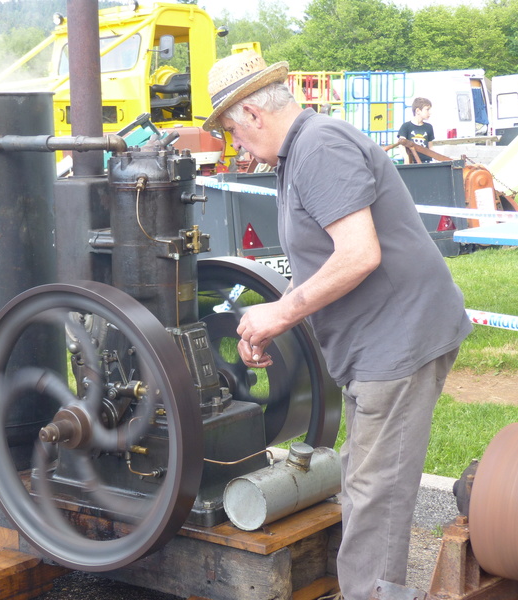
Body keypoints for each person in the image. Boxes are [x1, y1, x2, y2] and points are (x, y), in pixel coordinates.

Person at [202, 51, 471, 600]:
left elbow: (357, 255)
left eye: (231, 129)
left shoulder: (319, 147)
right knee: (365, 477)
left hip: (400, 337)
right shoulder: (299, 154)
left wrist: (280, 312)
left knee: (376, 489)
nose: (234, 143)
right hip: (378, 338)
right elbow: (325, 261)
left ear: (252, 113)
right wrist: (277, 324)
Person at [397, 97, 435, 163]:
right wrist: (406, 158)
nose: (430, 113)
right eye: (427, 110)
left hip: (427, 162)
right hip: (412, 162)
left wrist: (436, 159)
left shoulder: (429, 127)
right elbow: (401, 144)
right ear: (418, 111)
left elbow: (430, 147)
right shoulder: (406, 126)